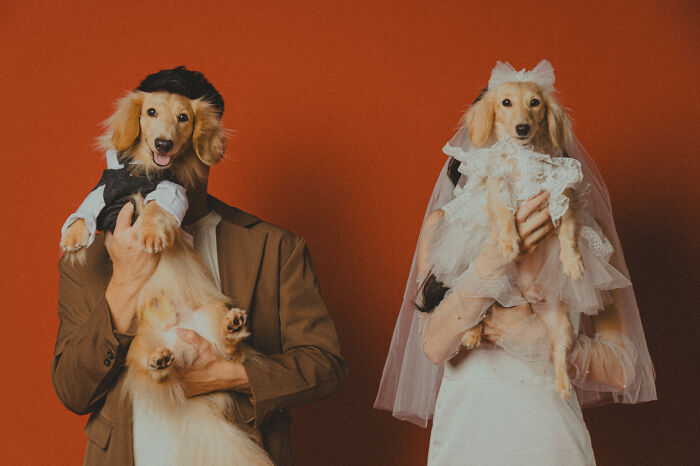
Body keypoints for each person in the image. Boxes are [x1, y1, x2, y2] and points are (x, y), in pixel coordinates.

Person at [51, 67, 346, 466]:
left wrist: (230, 375)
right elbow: (73, 391)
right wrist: (124, 282)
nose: (167, 145)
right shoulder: (87, 254)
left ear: (208, 142)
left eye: (182, 128)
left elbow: (325, 364)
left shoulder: (275, 248)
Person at [375, 61, 656, 465]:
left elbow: (622, 369)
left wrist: (536, 339)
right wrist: (492, 261)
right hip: (464, 440)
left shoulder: (583, 234)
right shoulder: (444, 225)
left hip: (551, 440)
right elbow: (433, 347)